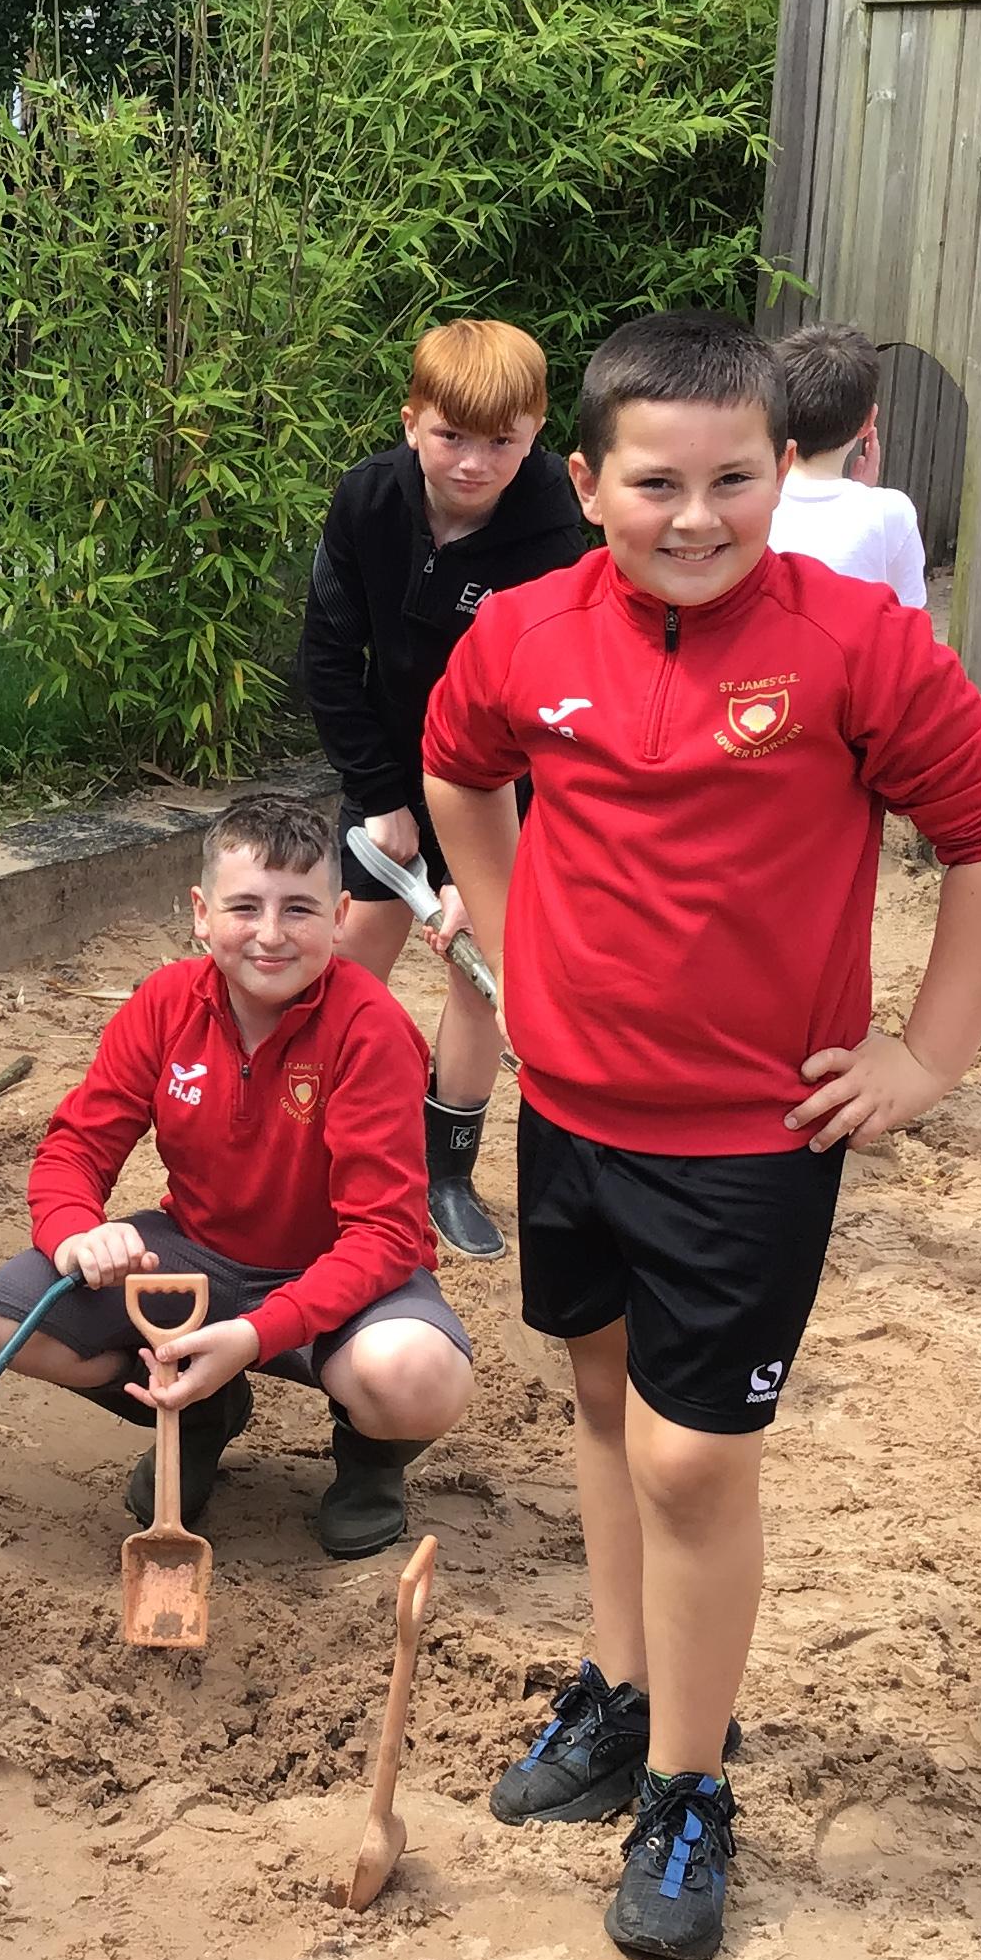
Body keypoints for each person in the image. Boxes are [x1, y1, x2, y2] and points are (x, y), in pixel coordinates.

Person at [422, 310, 981, 1960]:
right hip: (569, 1107)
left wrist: (926, 1052)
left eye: (731, 481)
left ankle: (688, 1787)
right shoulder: (523, 629)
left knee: (693, 1458)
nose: (693, 518)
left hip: (749, 1137)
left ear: (786, 471)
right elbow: (457, 770)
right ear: (586, 483)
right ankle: (625, 1688)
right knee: (600, 1395)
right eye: (654, 484)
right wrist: (509, 948)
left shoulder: (855, 644)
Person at [0, 793, 476, 1559]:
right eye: (245, 907)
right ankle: (200, 1413)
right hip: (198, 1254)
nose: (270, 935)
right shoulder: (165, 1002)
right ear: (202, 914)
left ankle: (370, 1462)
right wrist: (76, 1234)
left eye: (299, 909)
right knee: (13, 1317)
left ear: (340, 916)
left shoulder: (371, 1027)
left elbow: (384, 1235)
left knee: (416, 1375)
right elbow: (76, 1147)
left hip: (338, 1273)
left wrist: (254, 1334)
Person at [299, 319, 591, 1261]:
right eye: (451, 436)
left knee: (479, 973)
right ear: (411, 422)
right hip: (388, 768)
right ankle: (313, 1144)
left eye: (502, 441)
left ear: (536, 434)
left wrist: (482, 868)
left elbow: (553, 708)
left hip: (505, 786)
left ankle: (447, 1171)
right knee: (349, 960)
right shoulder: (366, 501)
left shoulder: (557, 534)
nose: (474, 463)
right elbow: (328, 656)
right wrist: (378, 794)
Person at [769, 322, 927, 610]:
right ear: (868, 422)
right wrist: (863, 494)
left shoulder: (752, 502)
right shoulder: (890, 512)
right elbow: (908, 613)